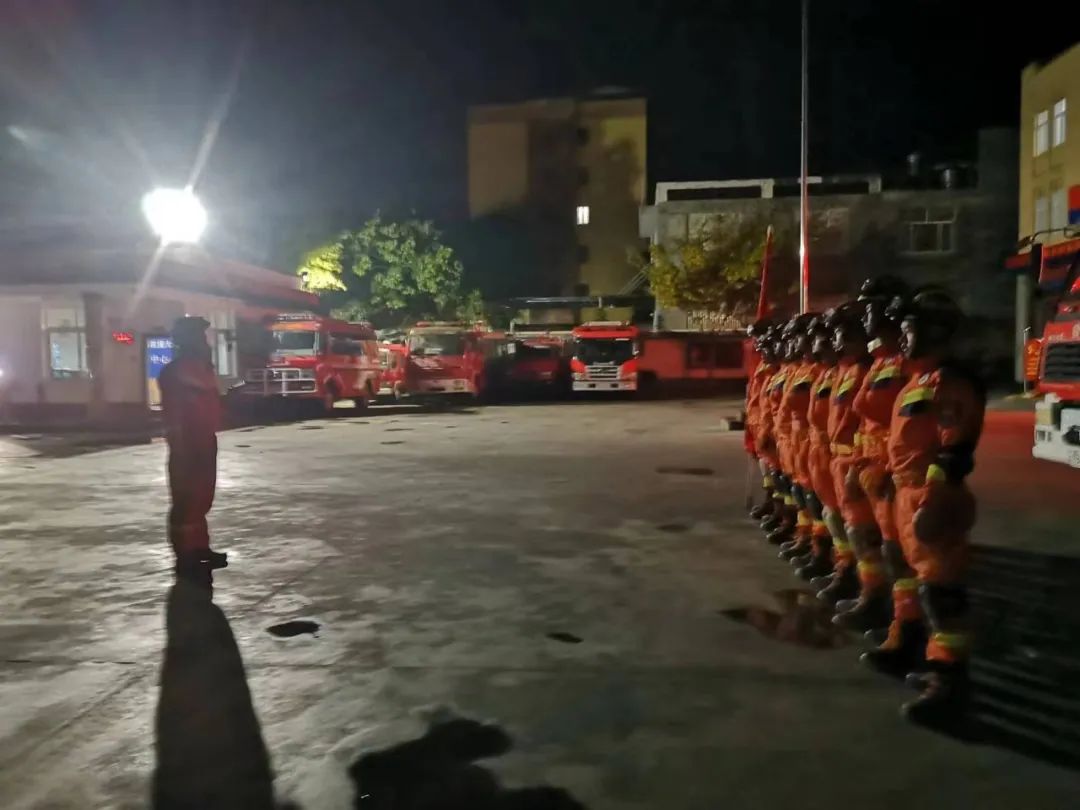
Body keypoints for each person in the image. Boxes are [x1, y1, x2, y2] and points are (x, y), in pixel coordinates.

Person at [880, 289, 984, 724]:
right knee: (916, 580)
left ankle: (951, 684)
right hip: (908, 494)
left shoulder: (948, 384)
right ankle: (926, 658)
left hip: (932, 495)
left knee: (941, 593)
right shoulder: (918, 381)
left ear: (936, 332)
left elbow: (953, 450)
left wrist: (934, 501)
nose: (903, 339)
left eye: (911, 331)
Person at [833, 277, 910, 634]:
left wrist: (892, 471)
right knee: (865, 536)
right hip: (867, 465)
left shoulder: (905, 364)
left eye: (870, 309)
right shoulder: (879, 361)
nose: (866, 318)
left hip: (892, 473)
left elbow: (914, 431)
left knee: (898, 551)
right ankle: (874, 597)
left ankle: (904, 624)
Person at [159, 315, 227, 581]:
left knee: (201, 499)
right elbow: (174, 413)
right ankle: (184, 556)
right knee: (185, 501)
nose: (205, 341)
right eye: (200, 336)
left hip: (206, 440)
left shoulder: (203, 369)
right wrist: (179, 444)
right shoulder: (175, 372)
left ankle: (200, 548)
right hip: (187, 444)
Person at [817, 305, 873, 605]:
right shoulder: (843, 371)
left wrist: (861, 463)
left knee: (862, 531)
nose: (835, 344)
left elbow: (872, 426)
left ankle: (870, 592)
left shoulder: (865, 371)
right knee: (836, 518)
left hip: (856, 461)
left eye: (841, 337)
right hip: (836, 457)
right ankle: (846, 569)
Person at [745, 319, 776, 519]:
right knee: (767, 468)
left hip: (771, 427)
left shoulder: (773, 367)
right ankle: (770, 501)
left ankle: (775, 504)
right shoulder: (762, 364)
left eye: (758, 338)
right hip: (758, 424)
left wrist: (766, 429)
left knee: (776, 471)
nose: (755, 343)